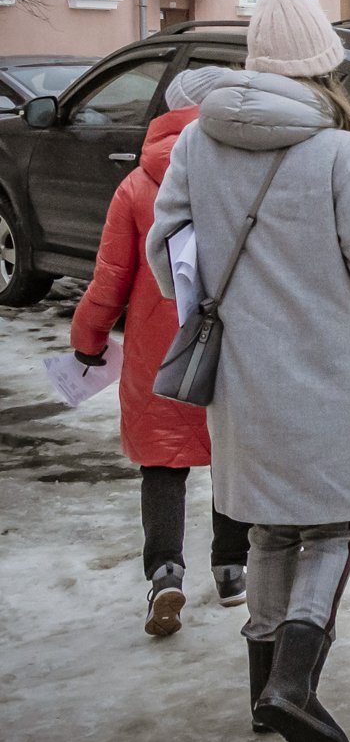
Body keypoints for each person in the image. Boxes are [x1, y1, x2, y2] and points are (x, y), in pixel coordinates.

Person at [146, 0, 350, 742]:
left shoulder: (197, 143)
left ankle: (263, 691)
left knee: (267, 527)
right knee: (333, 525)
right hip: (324, 372)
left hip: (239, 376)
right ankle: (294, 680)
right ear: (323, 65)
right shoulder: (335, 149)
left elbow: (170, 267)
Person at [71, 67, 250, 638]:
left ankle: (166, 575)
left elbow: (110, 279)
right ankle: (231, 569)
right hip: (233, 339)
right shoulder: (241, 171)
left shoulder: (138, 184)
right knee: (229, 453)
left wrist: (87, 340)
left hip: (160, 349)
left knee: (163, 462)